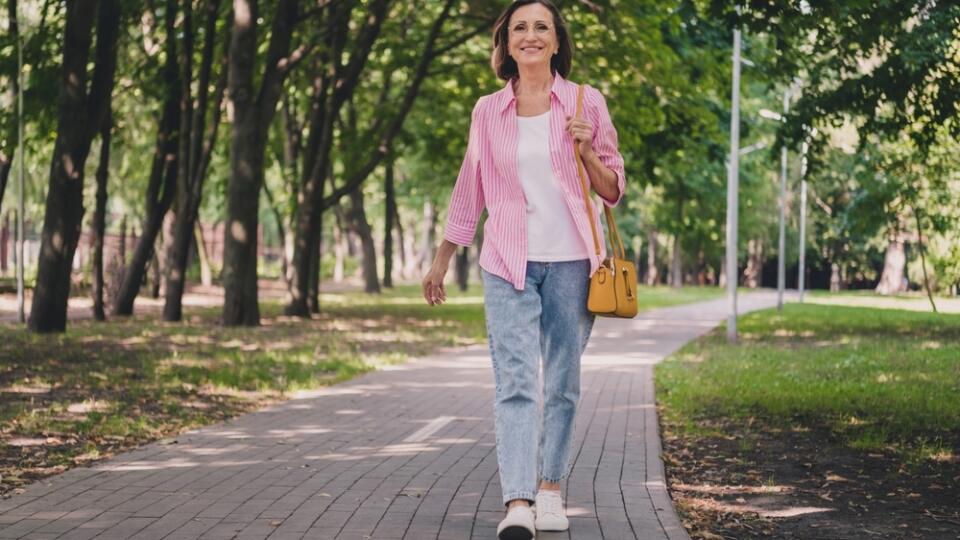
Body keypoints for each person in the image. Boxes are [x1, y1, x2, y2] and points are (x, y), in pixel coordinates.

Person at [421, 1, 625, 538]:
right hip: (507, 262)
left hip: (574, 264)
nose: (531, 36)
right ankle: (518, 501)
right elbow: (471, 185)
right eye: (520, 28)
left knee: (561, 383)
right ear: (507, 44)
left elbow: (612, 190)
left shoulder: (586, 101)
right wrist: (444, 256)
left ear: (557, 41)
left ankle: (551, 489)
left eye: (541, 27)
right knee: (515, 382)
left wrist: (586, 152)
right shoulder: (487, 110)